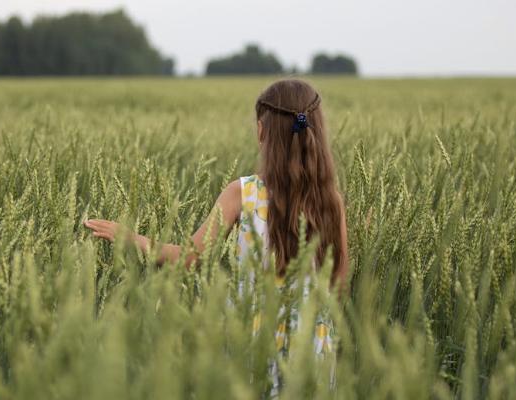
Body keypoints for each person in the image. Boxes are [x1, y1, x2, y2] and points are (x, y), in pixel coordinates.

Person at [84, 78, 349, 396]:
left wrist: (130, 237)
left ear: (263, 131)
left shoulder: (243, 192)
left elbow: (189, 257)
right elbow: (339, 280)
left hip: (255, 341)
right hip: (313, 344)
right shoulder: (330, 200)